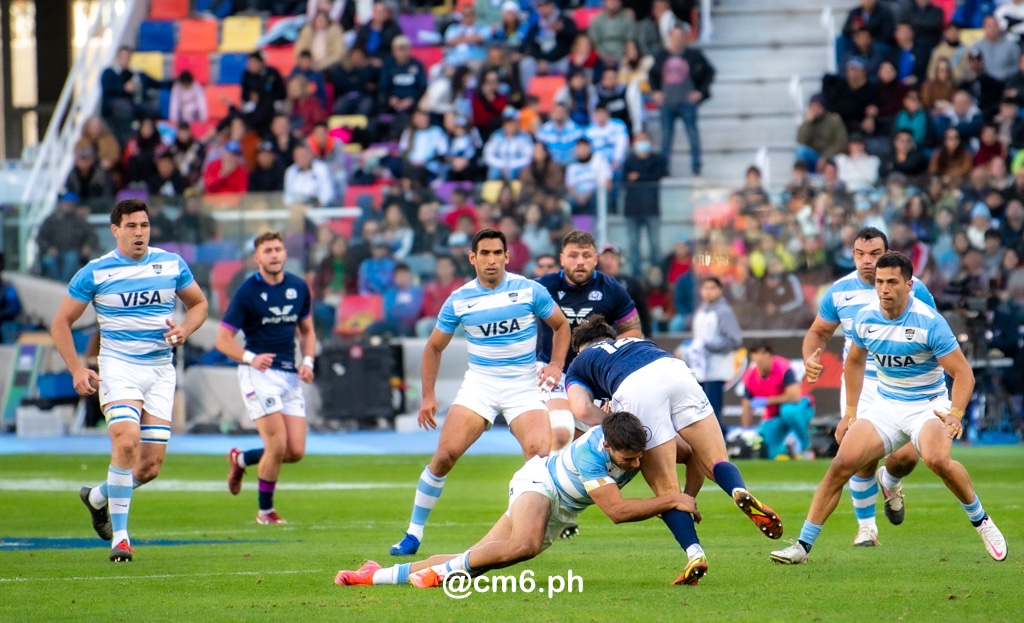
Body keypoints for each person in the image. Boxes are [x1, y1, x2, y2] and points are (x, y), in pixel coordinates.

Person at [772, 252, 1009, 565]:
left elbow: (963, 373)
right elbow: (854, 361)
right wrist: (851, 412)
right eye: (880, 282)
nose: (884, 288)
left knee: (937, 460)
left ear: (909, 285)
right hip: (886, 404)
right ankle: (802, 546)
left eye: (892, 282)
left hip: (927, 405)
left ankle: (982, 521)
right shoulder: (866, 317)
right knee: (841, 464)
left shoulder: (929, 322)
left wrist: (956, 413)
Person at [335, 411, 699, 588]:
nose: (636, 464)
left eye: (639, 457)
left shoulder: (641, 442)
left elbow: (693, 456)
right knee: (523, 545)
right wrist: (672, 499)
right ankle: (439, 574)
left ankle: (374, 576)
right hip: (540, 483)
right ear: (607, 445)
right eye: (627, 459)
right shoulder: (592, 455)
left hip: (561, 511)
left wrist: (690, 494)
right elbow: (617, 512)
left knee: (475, 562)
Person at [389, 228, 570, 556]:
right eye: (483, 253)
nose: (491, 260)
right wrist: (428, 396)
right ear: (472, 258)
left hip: (522, 386)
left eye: (496, 253)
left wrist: (556, 365)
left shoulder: (530, 290)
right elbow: (433, 348)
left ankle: (547, 523)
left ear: (507, 256)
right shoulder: (460, 299)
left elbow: (561, 325)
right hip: (480, 386)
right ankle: (413, 533)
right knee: (444, 456)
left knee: (539, 454)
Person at [565, 316, 784, 584]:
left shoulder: (579, 364)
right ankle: (739, 490)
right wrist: (689, 496)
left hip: (634, 387)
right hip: (677, 371)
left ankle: (695, 553)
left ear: (579, 348)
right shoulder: (635, 342)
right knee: (715, 459)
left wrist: (615, 424)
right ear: (611, 338)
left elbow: (582, 409)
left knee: (667, 492)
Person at [51, 198, 209, 561]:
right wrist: (77, 368)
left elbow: (198, 304)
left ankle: (97, 496)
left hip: (159, 371)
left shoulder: (170, 264)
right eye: (132, 226)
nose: (140, 232)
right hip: (119, 368)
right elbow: (60, 322)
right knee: (126, 440)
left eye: (145, 225)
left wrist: (184, 329)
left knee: (149, 467)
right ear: (115, 230)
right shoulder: (96, 272)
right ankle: (120, 538)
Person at [802, 227, 936, 547]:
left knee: (905, 459)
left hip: (901, 381)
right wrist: (810, 356)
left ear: (887, 255)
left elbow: (934, 330)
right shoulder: (839, 291)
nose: (866, 261)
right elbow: (818, 331)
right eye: (860, 254)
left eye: (874, 254)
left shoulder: (913, 289)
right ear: (852, 256)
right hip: (860, 382)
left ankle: (889, 482)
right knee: (859, 455)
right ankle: (867, 528)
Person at [218, 232, 316, 525]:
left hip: (289, 373)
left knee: (295, 451)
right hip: (258, 373)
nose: (274, 254)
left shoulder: (298, 287)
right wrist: (251, 357)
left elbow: (308, 330)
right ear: (257, 258)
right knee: (276, 443)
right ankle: (265, 512)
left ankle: (241, 458)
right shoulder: (247, 291)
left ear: (285, 254)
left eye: (278, 249)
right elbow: (224, 340)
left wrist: (308, 361)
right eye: (267, 250)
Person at [535, 230, 642, 452]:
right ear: (562, 259)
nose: (580, 262)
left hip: (594, 375)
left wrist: (608, 366)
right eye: (573, 255)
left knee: (588, 439)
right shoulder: (543, 286)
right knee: (561, 429)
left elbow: (633, 331)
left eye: (586, 255)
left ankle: (575, 481)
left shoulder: (612, 289)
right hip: (554, 369)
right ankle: (545, 481)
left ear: (595, 259)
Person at [649, 25, 715, 176]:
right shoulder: (662, 56)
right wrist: (656, 91)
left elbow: (709, 72)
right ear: (670, 38)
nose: (677, 39)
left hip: (686, 102)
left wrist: (701, 92)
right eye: (674, 36)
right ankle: (664, 169)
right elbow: (652, 74)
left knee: (692, 135)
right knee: (666, 137)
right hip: (668, 103)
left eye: (680, 36)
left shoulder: (694, 55)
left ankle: (696, 167)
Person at [740, 341, 815, 460]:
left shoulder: (782, 367)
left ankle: (806, 447)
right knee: (767, 450)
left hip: (800, 407)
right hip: (775, 415)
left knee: (788, 411)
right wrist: (746, 430)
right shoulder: (750, 377)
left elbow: (795, 396)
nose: (759, 357)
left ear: (770, 355)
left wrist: (767, 401)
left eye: (763, 353)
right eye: (755, 353)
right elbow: (746, 406)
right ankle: (787, 449)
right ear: (751, 356)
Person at [687, 277, 742, 435]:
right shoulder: (701, 311)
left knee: (712, 410)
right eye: (705, 288)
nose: (708, 292)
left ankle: (719, 443)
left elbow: (735, 339)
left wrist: (709, 346)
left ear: (720, 290)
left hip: (716, 369)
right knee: (700, 410)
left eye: (712, 288)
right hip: (700, 369)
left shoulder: (724, 311)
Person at [623, 131, 668, 277]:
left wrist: (639, 176)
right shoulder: (629, 160)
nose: (641, 143)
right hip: (632, 208)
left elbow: (660, 174)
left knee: (655, 244)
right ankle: (636, 275)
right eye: (638, 140)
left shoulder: (657, 159)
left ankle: (657, 275)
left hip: (651, 207)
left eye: (644, 139)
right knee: (633, 244)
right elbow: (625, 179)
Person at [37, 193, 97, 282]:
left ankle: (63, 284)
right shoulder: (51, 220)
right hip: (53, 251)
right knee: (49, 261)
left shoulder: (80, 220)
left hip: (73, 251)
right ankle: (58, 284)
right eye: (65, 203)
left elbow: (92, 236)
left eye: (70, 204)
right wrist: (48, 248)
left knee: (71, 258)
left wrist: (88, 246)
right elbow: (40, 238)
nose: (67, 206)